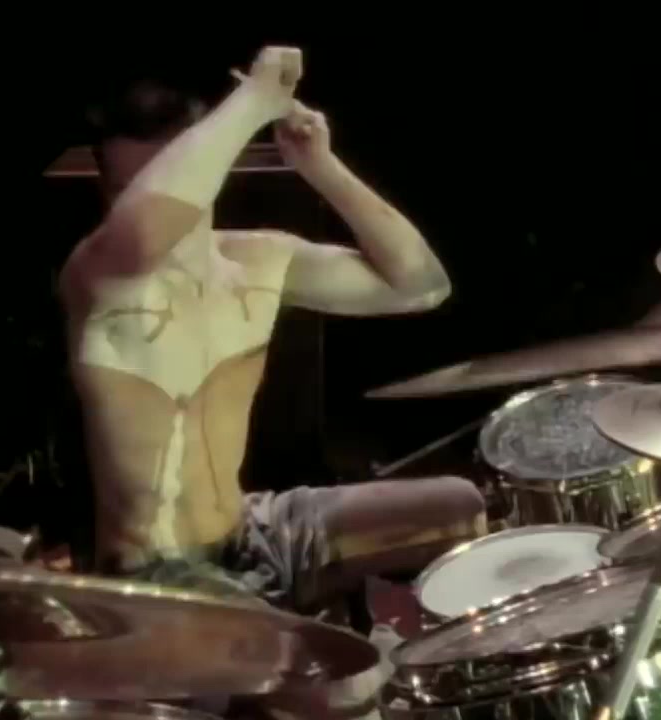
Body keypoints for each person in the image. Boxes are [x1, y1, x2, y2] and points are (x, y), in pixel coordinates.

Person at [59, 46, 486, 618]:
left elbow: (421, 286)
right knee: (307, 663)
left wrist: (319, 167)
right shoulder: (100, 276)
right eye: (125, 191)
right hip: (157, 574)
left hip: (253, 528)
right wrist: (256, 99)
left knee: (461, 507)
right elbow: (141, 234)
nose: (145, 205)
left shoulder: (256, 261)